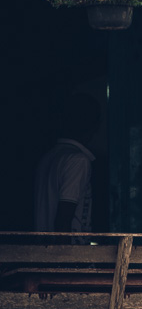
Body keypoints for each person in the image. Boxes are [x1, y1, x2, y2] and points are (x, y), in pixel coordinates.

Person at [33, 93, 101, 237]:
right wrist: (65, 250)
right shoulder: (78, 161)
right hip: (66, 248)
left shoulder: (48, 157)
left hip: (43, 246)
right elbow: (64, 218)